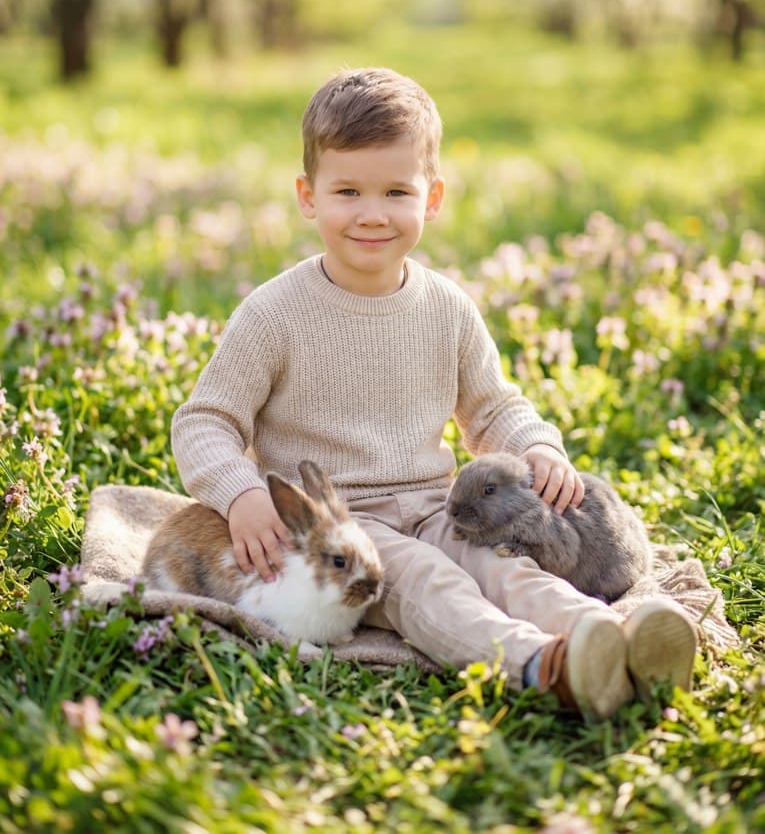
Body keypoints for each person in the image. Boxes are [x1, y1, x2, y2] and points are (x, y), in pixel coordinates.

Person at [172, 67, 697, 721]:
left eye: (396, 191)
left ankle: (616, 637)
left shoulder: (445, 307)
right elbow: (204, 421)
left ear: (433, 196)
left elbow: (492, 406)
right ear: (308, 196)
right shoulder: (273, 313)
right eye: (347, 191)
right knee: (426, 583)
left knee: (508, 569)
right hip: (339, 530)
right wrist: (242, 494)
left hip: (437, 506)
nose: (372, 213)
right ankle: (543, 666)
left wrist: (535, 447)